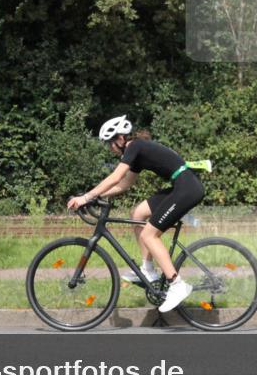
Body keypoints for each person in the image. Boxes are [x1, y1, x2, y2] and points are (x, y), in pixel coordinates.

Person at [67, 115, 205, 314]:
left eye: (110, 143)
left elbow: (116, 177)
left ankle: (177, 285)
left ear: (120, 138)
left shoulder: (134, 147)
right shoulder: (137, 152)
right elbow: (125, 184)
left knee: (149, 234)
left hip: (187, 188)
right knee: (138, 213)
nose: (110, 149)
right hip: (181, 186)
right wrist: (97, 197)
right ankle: (147, 269)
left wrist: (87, 196)